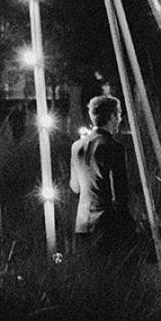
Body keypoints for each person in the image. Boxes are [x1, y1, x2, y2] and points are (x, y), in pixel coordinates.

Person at [68, 94, 135, 258]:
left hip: (82, 222)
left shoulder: (76, 146)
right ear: (112, 116)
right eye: (118, 115)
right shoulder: (114, 147)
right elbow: (119, 192)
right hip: (107, 224)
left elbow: (75, 187)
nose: (119, 119)